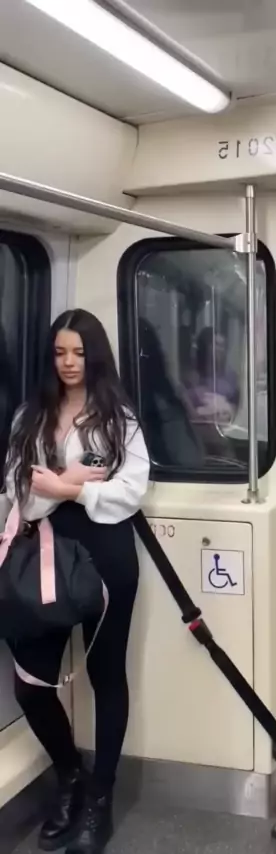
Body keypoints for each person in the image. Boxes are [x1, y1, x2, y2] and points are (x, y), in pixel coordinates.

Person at [4, 309, 149, 854]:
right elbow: (17, 494)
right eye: (60, 352)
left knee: (107, 677)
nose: (69, 363)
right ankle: (70, 776)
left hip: (106, 556)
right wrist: (66, 483)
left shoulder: (117, 418)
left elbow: (131, 490)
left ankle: (100, 800)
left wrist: (72, 492)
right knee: (30, 683)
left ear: (95, 356)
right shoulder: (30, 417)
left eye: (79, 353)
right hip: (41, 557)